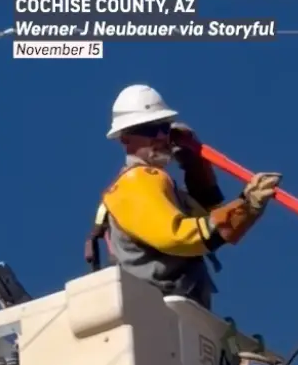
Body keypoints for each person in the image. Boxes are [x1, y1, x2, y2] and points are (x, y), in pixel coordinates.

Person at [95, 84, 281, 309]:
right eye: (150, 130)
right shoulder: (136, 182)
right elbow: (182, 236)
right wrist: (247, 204)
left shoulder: (161, 184)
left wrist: (196, 166)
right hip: (157, 310)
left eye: (165, 128)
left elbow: (209, 216)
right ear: (126, 139)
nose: (162, 136)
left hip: (177, 310)